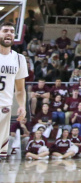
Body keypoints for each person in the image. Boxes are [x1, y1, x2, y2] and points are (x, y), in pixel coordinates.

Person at [0, 22, 28, 159]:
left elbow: (20, 89)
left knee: (1, 153)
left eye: (11, 31)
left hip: (5, 107)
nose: (9, 33)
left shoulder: (19, 58)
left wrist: (22, 106)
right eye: (5, 30)